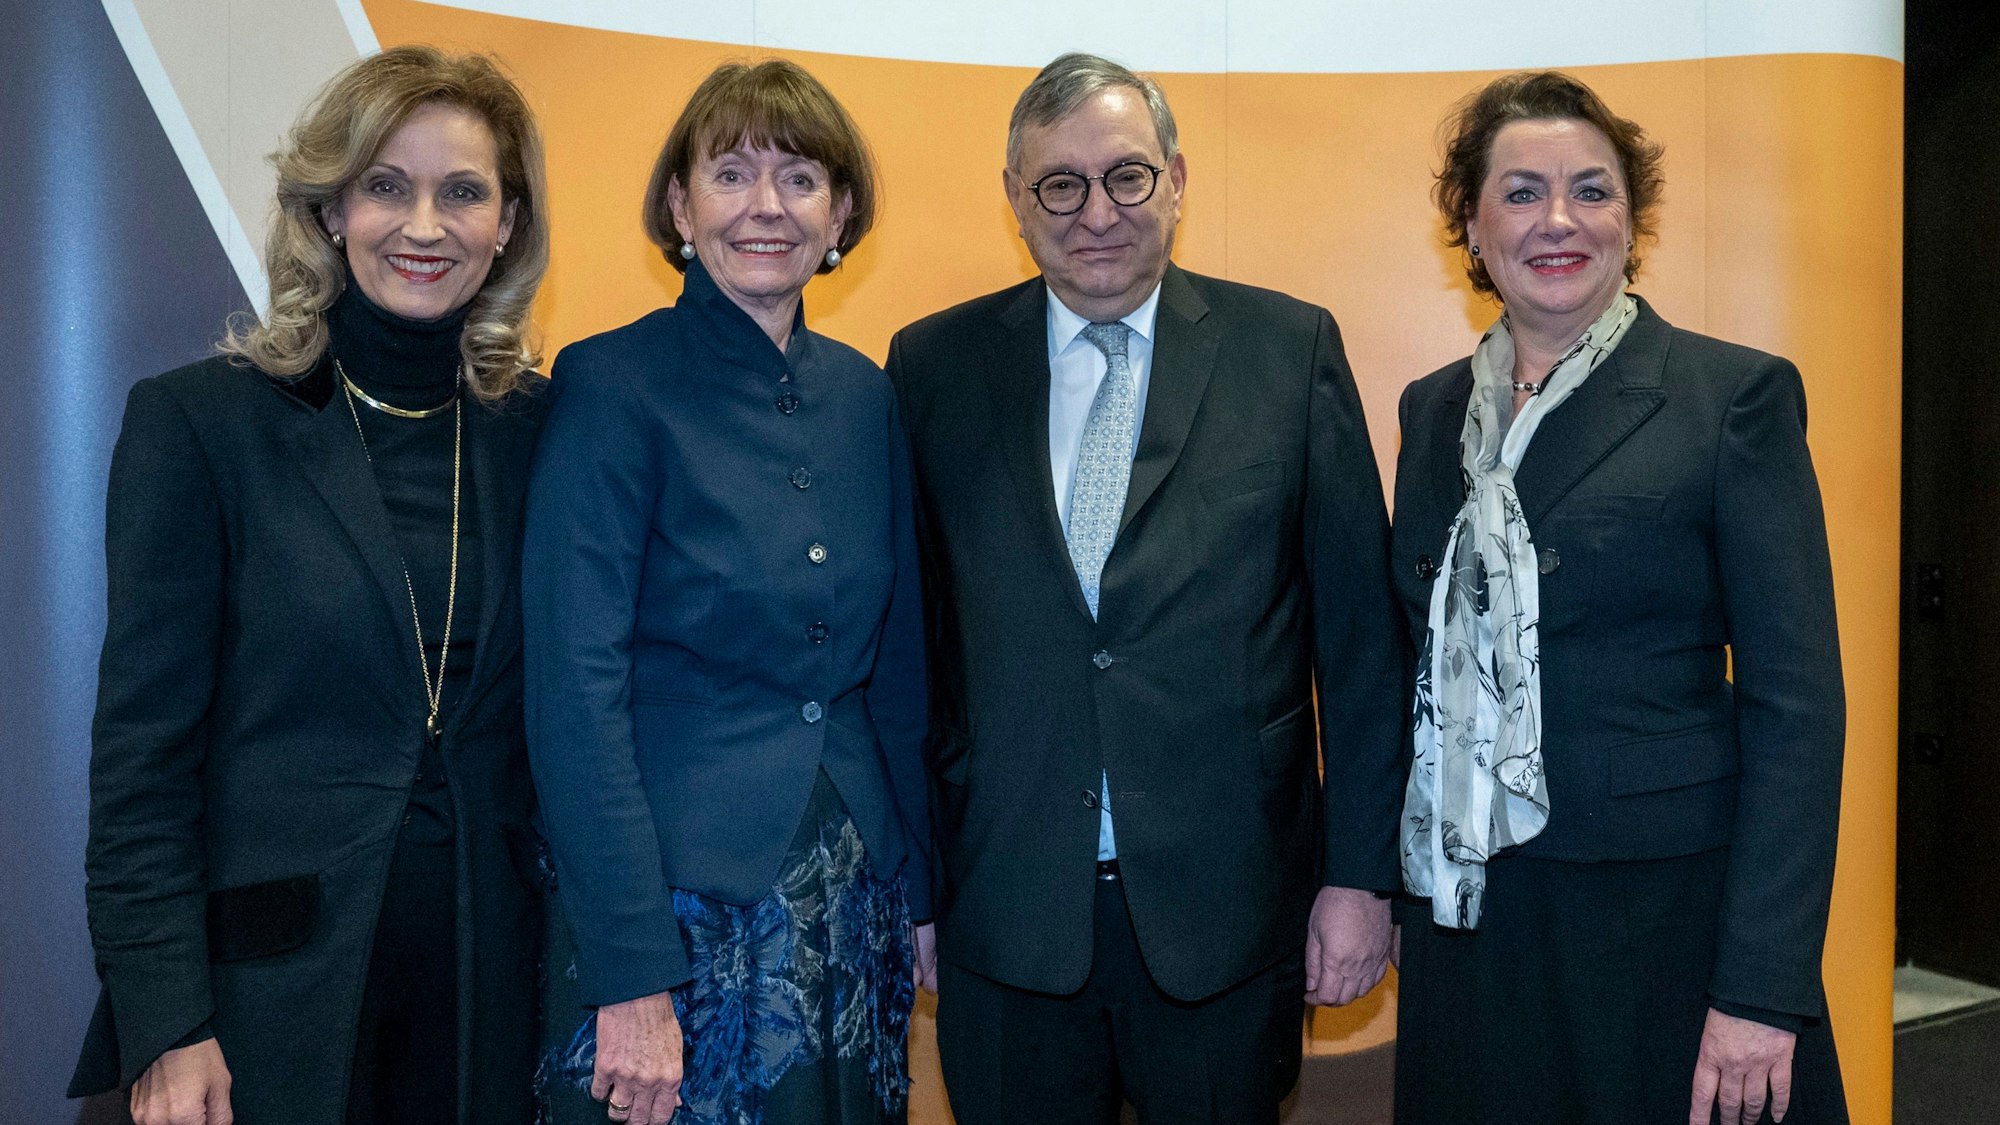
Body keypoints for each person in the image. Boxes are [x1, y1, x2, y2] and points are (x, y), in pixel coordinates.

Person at [883, 52, 1408, 1124]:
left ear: (1175, 179)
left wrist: (1359, 880)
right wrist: (920, 888)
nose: (1095, 213)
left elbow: (1358, 643)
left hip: (1229, 913)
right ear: (1015, 203)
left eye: (1125, 176)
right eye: (1057, 185)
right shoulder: (931, 367)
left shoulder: (1286, 348)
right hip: (1004, 913)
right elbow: (914, 653)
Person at [68, 44, 553, 1125]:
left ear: (508, 224)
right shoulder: (202, 424)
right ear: (330, 211)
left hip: (489, 1003)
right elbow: (143, 759)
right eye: (385, 186)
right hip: (258, 1014)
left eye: (462, 192)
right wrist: (167, 1024)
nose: (422, 226)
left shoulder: (542, 432)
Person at [1389, 70, 1848, 1125]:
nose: (1557, 221)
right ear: (1469, 221)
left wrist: (1758, 988)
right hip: (1475, 920)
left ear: (1630, 218)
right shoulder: (1430, 414)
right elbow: (1404, 663)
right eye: (1519, 192)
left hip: (1660, 924)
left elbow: (1795, 710)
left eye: (1590, 191)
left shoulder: (1728, 397)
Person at [523, 59, 929, 1125]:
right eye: (732, 173)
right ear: (678, 203)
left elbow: (897, 668)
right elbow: (574, 688)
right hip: (669, 906)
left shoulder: (866, 394)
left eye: (799, 179)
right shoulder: (609, 383)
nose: (765, 206)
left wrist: (918, 888)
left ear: (840, 212)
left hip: (850, 894)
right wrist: (625, 970)